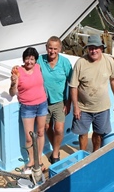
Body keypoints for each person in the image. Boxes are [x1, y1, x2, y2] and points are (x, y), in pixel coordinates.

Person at [69, 35, 114, 152]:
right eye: (91, 48)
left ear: (101, 48)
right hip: (83, 108)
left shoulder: (109, 61)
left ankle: (94, 154)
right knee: (82, 134)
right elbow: (73, 86)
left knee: (98, 134)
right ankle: (82, 156)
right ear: (87, 49)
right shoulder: (81, 63)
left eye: (96, 48)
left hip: (102, 108)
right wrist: (76, 107)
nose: (93, 51)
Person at [9, 47, 48, 173]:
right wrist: (13, 83)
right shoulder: (18, 72)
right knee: (29, 137)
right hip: (27, 107)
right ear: (23, 59)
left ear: (35, 60)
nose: (29, 62)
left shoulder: (38, 67)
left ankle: (39, 158)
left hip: (42, 104)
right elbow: (12, 93)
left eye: (32, 59)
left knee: (41, 133)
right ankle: (31, 160)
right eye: (27, 58)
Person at [37, 36, 72, 164]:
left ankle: (55, 152)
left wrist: (69, 103)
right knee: (46, 127)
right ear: (46, 48)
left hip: (59, 102)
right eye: (50, 48)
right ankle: (55, 148)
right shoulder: (40, 60)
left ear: (60, 49)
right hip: (43, 102)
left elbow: (72, 82)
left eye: (55, 49)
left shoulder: (65, 63)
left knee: (59, 129)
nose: (52, 51)